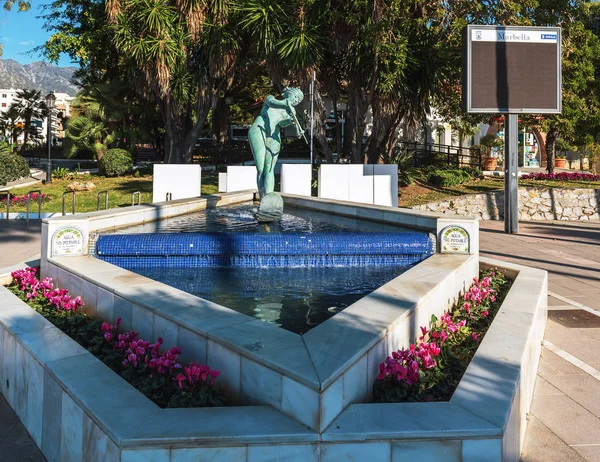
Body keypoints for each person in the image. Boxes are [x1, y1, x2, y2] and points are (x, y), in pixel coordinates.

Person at [248, 87, 304, 197]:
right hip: (260, 129)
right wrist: (285, 103)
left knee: (269, 168)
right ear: (289, 94)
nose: (296, 101)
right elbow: (272, 103)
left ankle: (268, 198)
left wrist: (291, 121)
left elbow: (281, 124)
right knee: (260, 168)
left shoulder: (290, 111)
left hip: (274, 136)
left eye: (298, 101)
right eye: (296, 98)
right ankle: (261, 195)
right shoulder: (271, 98)